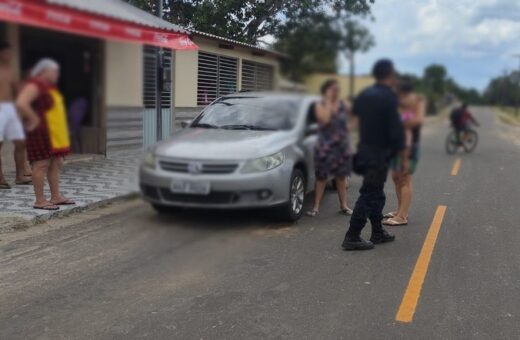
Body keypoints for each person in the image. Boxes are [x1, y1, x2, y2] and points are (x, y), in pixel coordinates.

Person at [342, 59, 406, 251]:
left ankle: (377, 232)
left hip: (366, 150)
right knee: (369, 193)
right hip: (379, 153)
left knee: (377, 193)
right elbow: (394, 129)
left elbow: (354, 119)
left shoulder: (364, 95)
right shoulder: (388, 97)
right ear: (389, 75)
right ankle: (352, 235)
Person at [16, 58, 75, 210]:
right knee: (41, 164)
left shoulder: (49, 87)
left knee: (55, 163)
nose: (57, 74)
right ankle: (40, 200)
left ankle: (56, 197)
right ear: (43, 71)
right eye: (54, 71)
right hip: (41, 132)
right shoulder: (34, 85)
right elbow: (22, 103)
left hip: (53, 134)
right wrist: (34, 118)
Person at [307, 79, 353, 217]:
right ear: (326, 90)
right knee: (321, 176)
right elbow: (325, 119)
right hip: (325, 145)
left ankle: (344, 205)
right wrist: (327, 101)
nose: (336, 92)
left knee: (341, 176)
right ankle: (316, 207)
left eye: (337, 89)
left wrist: (349, 129)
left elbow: (354, 117)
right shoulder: (319, 104)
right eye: (333, 89)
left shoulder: (344, 104)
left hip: (341, 145)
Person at [383, 78, 426, 226]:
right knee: (396, 177)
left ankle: (402, 216)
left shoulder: (417, 101)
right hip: (396, 144)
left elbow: (418, 120)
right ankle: (400, 210)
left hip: (409, 145)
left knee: (405, 177)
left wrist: (400, 121)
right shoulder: (399, 103)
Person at [0, 41, 32, 189]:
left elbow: (17, 89)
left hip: (10, 108)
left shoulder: (10, 70)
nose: (10, 55)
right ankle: (0, 178)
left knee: (20, 142)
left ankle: (20, 176)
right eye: (7, 52)